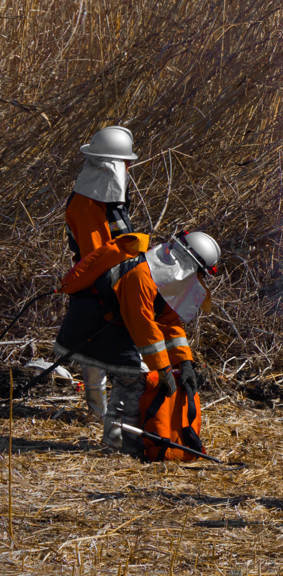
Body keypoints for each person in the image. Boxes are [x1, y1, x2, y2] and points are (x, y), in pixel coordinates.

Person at [54, 230, 220, 455]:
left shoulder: (164, 280)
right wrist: (162, 368)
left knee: (135, 376)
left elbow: (169, 322)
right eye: (198, 273)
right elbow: (143, 326)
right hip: (94, 328)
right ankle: (118, 445)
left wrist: (185, 363)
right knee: (133, 379)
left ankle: (127, 441)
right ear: (186, 265)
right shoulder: (141, 275)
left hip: (118, 328)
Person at [64, 126, 139, 423]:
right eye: (124, 162)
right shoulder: (86, 204)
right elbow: (97, 255)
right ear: (110, 165)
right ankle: (98, 413)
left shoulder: (109, 198)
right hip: (96, 283)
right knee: (95, 347)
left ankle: (112, 411)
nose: (129, 168)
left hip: (118, 278)